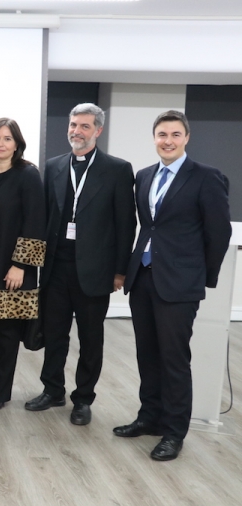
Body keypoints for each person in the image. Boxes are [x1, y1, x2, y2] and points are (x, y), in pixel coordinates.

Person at [115, 110, 231, 461]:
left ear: (186, 138)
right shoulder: (145, 176)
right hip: (143, 278)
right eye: (162, 134)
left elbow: (218, 234)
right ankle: (149, 417)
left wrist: (201, 277)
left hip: (179, 284)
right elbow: (147, 227)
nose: (168, 140)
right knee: (146, 354)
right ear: (154, 138)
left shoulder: (207, 177)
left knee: (174, 359)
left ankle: (174, 432)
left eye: (175, 134)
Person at [25, 103, 135, 426]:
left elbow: (126, 223)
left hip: (96, 271)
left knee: (91, 338)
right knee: (55, 332)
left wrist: (120, 270)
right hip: (57, 267)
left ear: (98, 131)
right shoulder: (55, 165)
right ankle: (53, 389)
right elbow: (46, 217)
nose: (77, 131)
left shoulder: (117, 169)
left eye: (85, 126)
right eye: (73, 125)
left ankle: (83, 398)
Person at [0, 118, 45, 411]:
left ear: (17, 145)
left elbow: (35, 221)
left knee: (7, 334)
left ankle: (0, 392)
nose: (0, 143)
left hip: (13, 267)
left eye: (7, 139)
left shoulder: (27, 174)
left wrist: (21, 265)